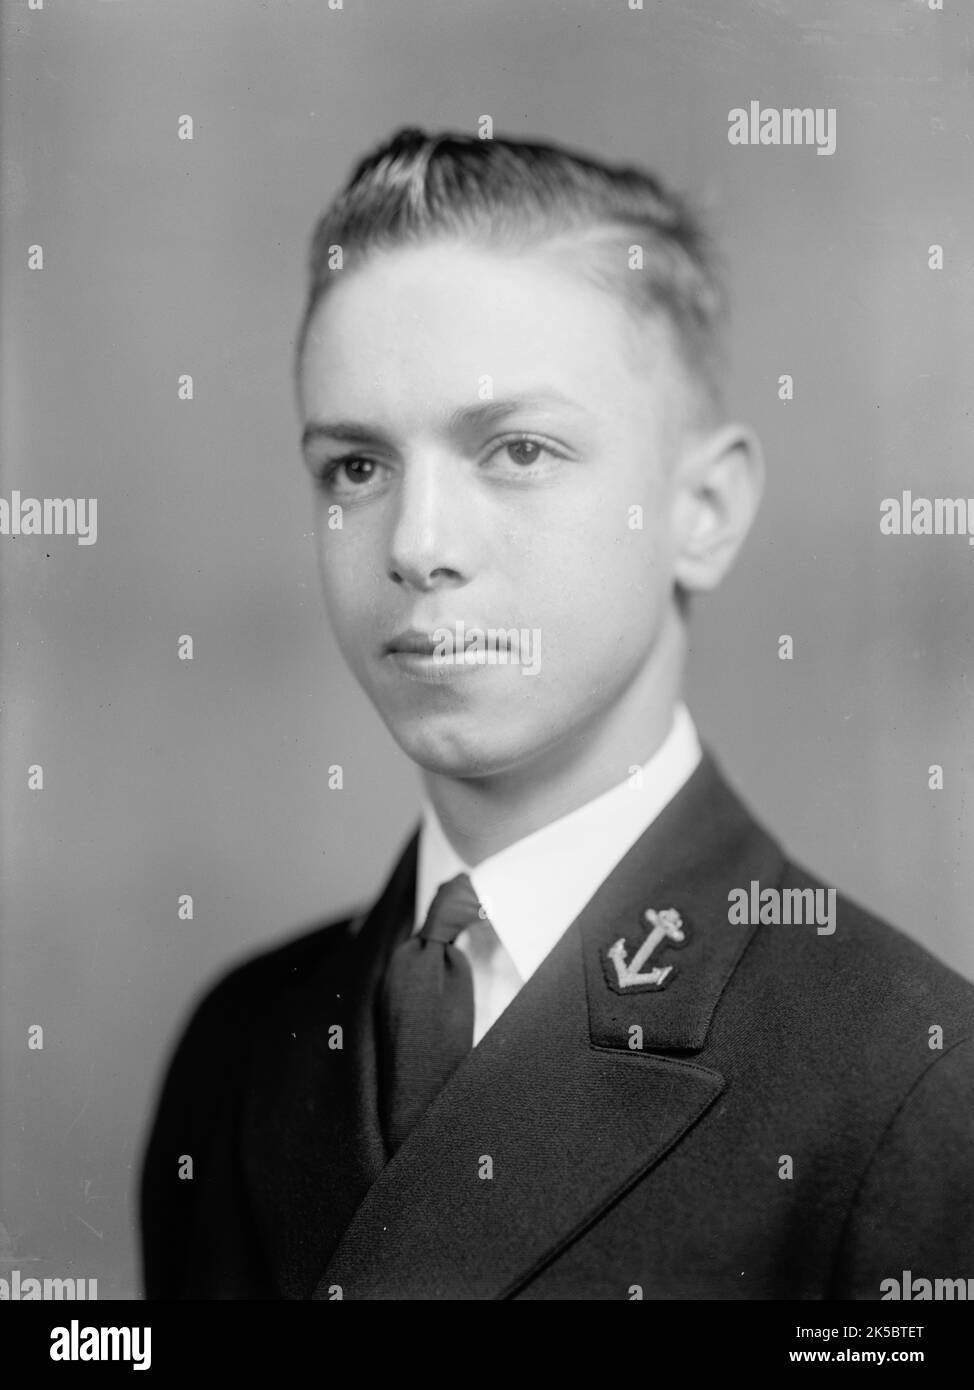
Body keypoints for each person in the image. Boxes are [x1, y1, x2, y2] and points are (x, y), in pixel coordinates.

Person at [140, 128, 974, 1300]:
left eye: (516, 449)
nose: (419, 545)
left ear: (703, 509)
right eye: (355, 468)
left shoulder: (909, 1085)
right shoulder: (240, 1046)